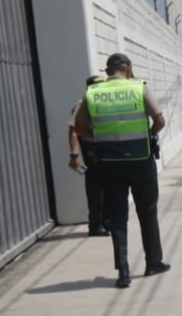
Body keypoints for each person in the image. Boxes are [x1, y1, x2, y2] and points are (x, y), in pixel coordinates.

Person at [75, 53, 170, 288]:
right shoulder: (139, 88)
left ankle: (124, 272)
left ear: (108, 71)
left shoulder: (93, 93)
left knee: (117, 217)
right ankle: (153, 262)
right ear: (127, 68)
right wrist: (145, 136)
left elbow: (79, 127)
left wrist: (98, 139)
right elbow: (159, 121)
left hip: (109, 163)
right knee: (147, 212)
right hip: (141, 160)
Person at [68, 74, 108, 236]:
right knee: (96, 188)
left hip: (105, 147)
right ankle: (96, 225)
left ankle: (107, 221)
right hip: (91, 147)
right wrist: (74, 155)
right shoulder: (81, 104)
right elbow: (73, 131)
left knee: (108, 186)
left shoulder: (105, 101)